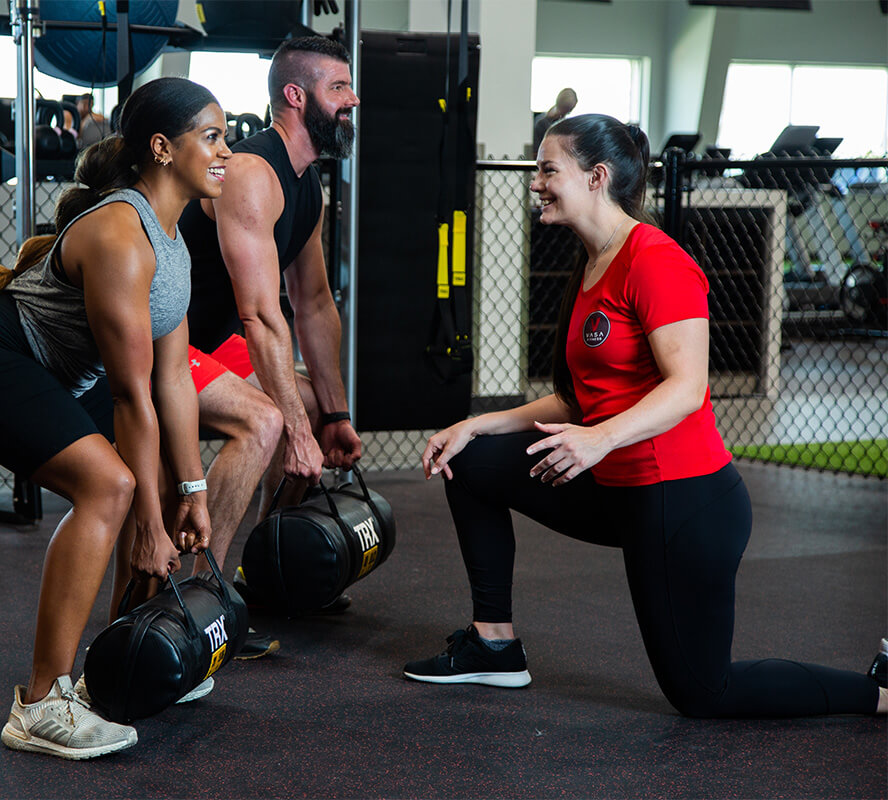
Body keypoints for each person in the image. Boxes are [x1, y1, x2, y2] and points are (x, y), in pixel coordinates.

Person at [403, 113, 888, 718]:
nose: (535, 182)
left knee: (704, 694)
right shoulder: (592, 263)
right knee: (470, 461)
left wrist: (597, 440)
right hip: (616, 487)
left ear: (596, 177)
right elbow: (582, 399)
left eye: (548, 170)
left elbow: (686, 388)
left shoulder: (655, 260)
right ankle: (493, 646)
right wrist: (477, 424)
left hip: (682, 501)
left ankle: (878, 692)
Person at [0, 77, 233, 759]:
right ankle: (39, 705)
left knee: (148, 482)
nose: (226, 152)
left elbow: (173, 380)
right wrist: (149, 523)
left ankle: (123, 664)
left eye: (226, 137)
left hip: (55, 371)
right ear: (162, 148)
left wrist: (192, 491)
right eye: (211, 137)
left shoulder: (173, 244)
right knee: (111, 486)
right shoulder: (121, 233)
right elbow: (131, 396)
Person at [175, 36, 364, 657]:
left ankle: (262, 573)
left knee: (302, 404)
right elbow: (259, 315)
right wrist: (298, 433)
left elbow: (314, 303)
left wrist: (332, 415)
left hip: (212, 343)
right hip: (162, 345)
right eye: (338, 88)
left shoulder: (306, 185)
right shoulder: (252, 172)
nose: (352, 99)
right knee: (266, 422)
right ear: (296, 95)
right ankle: (199, 598)